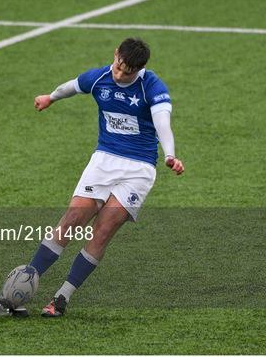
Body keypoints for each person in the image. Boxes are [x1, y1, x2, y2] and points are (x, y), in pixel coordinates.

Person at [30, 37, 184, 317]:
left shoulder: (153, 87)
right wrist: (50, 98)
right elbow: (72, 86)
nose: (119, 74)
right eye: (118, 66)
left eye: (127, 72)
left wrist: (170, 155)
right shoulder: (100, 77)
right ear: (115, 55)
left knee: (102, 231)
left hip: (138, 171)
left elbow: (163, 123)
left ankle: (61, 298)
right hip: (103, 161)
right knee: (72, 220)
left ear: (139, 70)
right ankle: (27, 278)